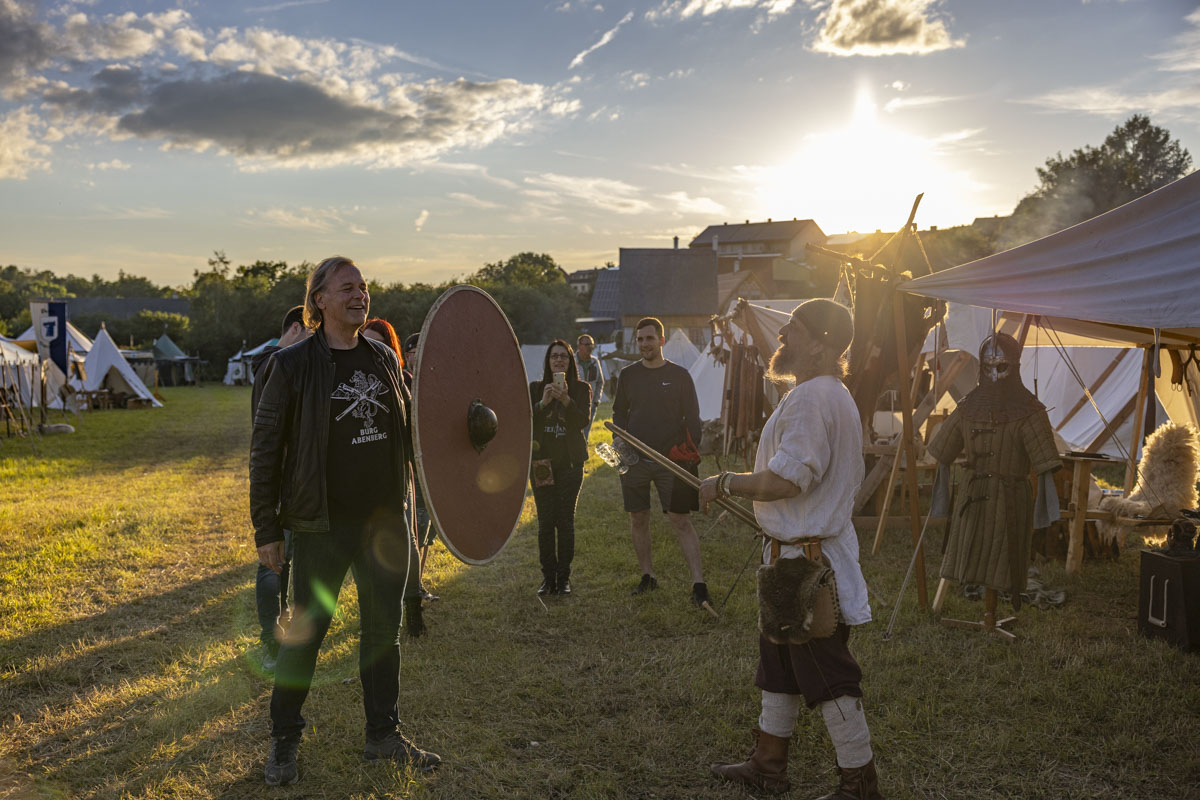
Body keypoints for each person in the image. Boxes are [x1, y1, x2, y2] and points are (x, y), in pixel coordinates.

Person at [250, 256, 439, 787]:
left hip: (385, 522)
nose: (360, 295)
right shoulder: (291, 365)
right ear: (320, 300)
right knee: (305, 636)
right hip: (322, 525)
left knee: (383, 633)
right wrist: (267, 530)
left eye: (364, 286)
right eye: (347, 288)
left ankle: (384, 736)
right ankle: (284, 740)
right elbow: (265, 451)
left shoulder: (383, 358)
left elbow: (414, 428)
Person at [699, 299, 883, 799]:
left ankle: (859, 784)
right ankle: (768, 765)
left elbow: (787, 480)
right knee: (778, 666)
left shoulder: (812, 398)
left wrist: (726, 482)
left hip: (809, 564)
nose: (782, 336)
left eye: (794, 329)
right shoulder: (825, 393)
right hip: (795, 558)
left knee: (826, 673)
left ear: (821, 346)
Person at [612, 317, 710, 609]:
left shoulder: (679, 375)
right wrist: (620, 442)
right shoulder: (628, 376)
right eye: (640, 339)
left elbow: (693, 419)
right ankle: (648, 576)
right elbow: (619, 414)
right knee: (638, 517)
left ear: (661, 341)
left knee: (680, 521)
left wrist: (688, 453)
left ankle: (699, 584)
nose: (644, 344)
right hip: (635, 461)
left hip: (672, 462)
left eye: (649, 338)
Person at [249, 305, 311, 673]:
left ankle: (282, 634)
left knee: (284, 563)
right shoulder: (277, 364)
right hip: (282, 480)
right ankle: (271, 642)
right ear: (296, 328)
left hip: (290, 480)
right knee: (274, 563)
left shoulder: (268, 363)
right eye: (312, 332)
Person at [529, 340, 592, 596]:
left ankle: (564, 578)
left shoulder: (581, 389)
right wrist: (543, 403)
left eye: (563, 357)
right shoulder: (535, 388)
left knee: (564, 522)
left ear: (570, 361)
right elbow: (525, 419)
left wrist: (566, 399)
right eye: (554, 356)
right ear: (548, 361)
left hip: (570, 464)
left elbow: (582, 421)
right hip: (541, 464)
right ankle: (548, 578)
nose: (558, 360)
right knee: (545, 522)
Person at [400, 331, 439, 602]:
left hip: (431, 464)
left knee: (427, 532)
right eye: (415, 351)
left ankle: (419, 583)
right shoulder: (403, 380)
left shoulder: (432, 381)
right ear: (407, 355)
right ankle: (410, 589)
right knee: (415, 528)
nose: (420, 356)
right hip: (411, 464)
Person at [575, 334, 605, 441]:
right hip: (575, 404)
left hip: (590, 404)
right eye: (587, 344)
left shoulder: (595, 362)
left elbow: (600, 382)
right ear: (579, 346)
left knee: (586, 433)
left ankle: (584, 449)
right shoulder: (572, 361)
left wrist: (596, 400)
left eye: (591, 344)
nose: (590, 347)